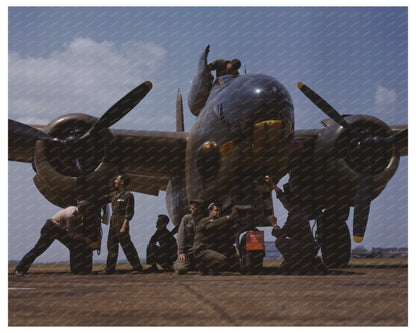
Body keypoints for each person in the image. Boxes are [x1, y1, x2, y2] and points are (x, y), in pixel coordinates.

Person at [264, 175, 327, 275]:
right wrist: (272, 184)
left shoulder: (294, 216)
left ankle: (298, 265)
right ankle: (301, 263)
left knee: (280, 241)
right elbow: (282, 197)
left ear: (288, 204)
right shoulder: (299, 210)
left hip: (305, 249)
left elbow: (281, 234)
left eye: (284, 203)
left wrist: (274, 224)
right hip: (309, 248)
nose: (283, 205)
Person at [13, 200, 93, 276]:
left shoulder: (78, 213)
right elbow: (71, 234)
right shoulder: (71, 215)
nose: (89, 211)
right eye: (88, 209)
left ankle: (76, 270)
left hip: (59, 229)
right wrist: (84, 239)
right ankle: (19, 269)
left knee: (73, 246)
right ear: (83, 209)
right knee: (38, 250)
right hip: (50, 228)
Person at [100, 173, 143, 274]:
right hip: (113, 221)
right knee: (111, 245)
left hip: (121, 221)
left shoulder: (128, 195)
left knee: (126, 245)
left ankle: (137, 267)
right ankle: (110, 269)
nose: (115, 181)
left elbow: (129, 212)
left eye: (117, 179)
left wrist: (124, 226)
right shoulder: (114, 194)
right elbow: (103, 198)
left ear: (122, 182)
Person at [193, 204, 238, 275]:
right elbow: (213, 224)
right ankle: (203, 264)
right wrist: (230, 216)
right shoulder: (205, 220)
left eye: (219, 210)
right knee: (222, 259)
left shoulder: (216, 221)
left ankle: (206, 268)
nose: (218, 212)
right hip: (200, 250)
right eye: (216, 210)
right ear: (210, 211)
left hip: (207, 249)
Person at [174, 199, 203, 275]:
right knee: (181, 269)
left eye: (192, 208)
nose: (190, 210)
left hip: (200, 251)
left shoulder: (205, 220)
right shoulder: (186, 219)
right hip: (187, 251)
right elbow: (181, 236)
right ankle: (176, 265)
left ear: (199, 210)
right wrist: (181, 252)